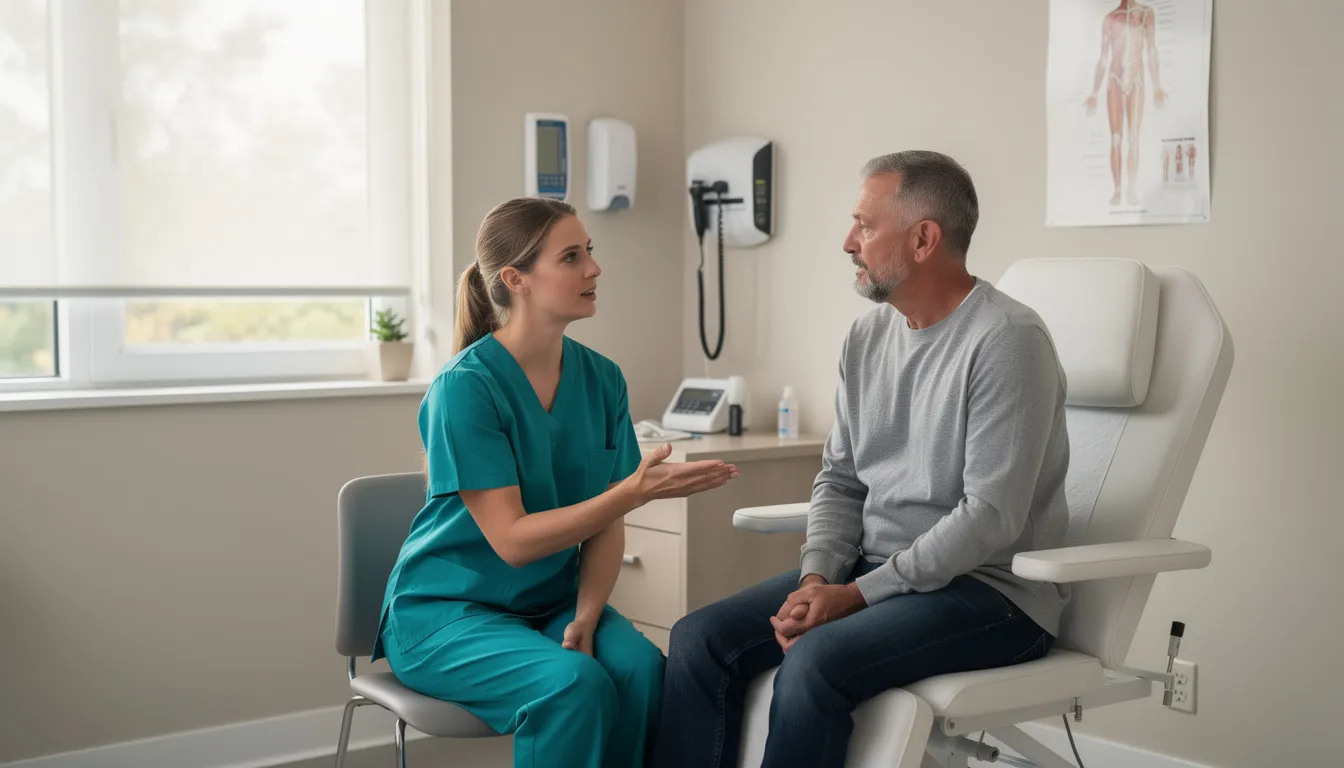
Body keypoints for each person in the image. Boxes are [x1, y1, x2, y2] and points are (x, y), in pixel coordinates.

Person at [650, 151, 1072, 768]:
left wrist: (856, 596)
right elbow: (841, 479)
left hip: (990, 593)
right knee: (699, 639)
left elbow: (989, 517)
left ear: (924, 238)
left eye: (865, 227)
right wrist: (818, 578)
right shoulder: (867, 336)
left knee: (816, 664)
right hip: (871, 572)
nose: (848, 242)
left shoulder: (1007, 340)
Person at [372, 197, 740, 768]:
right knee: (572, 684)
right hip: (446, 613)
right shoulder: (465, 388)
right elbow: (514, 541)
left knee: (644, 673)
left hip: (550, 603)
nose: (594, 268)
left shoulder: (602, 379)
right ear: (516, 279)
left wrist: (587, 616)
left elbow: (604, 526)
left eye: (589, 251)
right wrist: (633, 492)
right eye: (571, 256)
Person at [1084, 0, 1167, 206]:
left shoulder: (1147, 14)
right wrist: (1094, 92)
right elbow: (1103, 58)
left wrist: (1157, 86)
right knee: (1115, 139)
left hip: (1136, 80)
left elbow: (1152, 50)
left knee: (1134, 138)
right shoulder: (1110, 18)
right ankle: (1117, 189)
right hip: (1115, 79)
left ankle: (1131, 187)